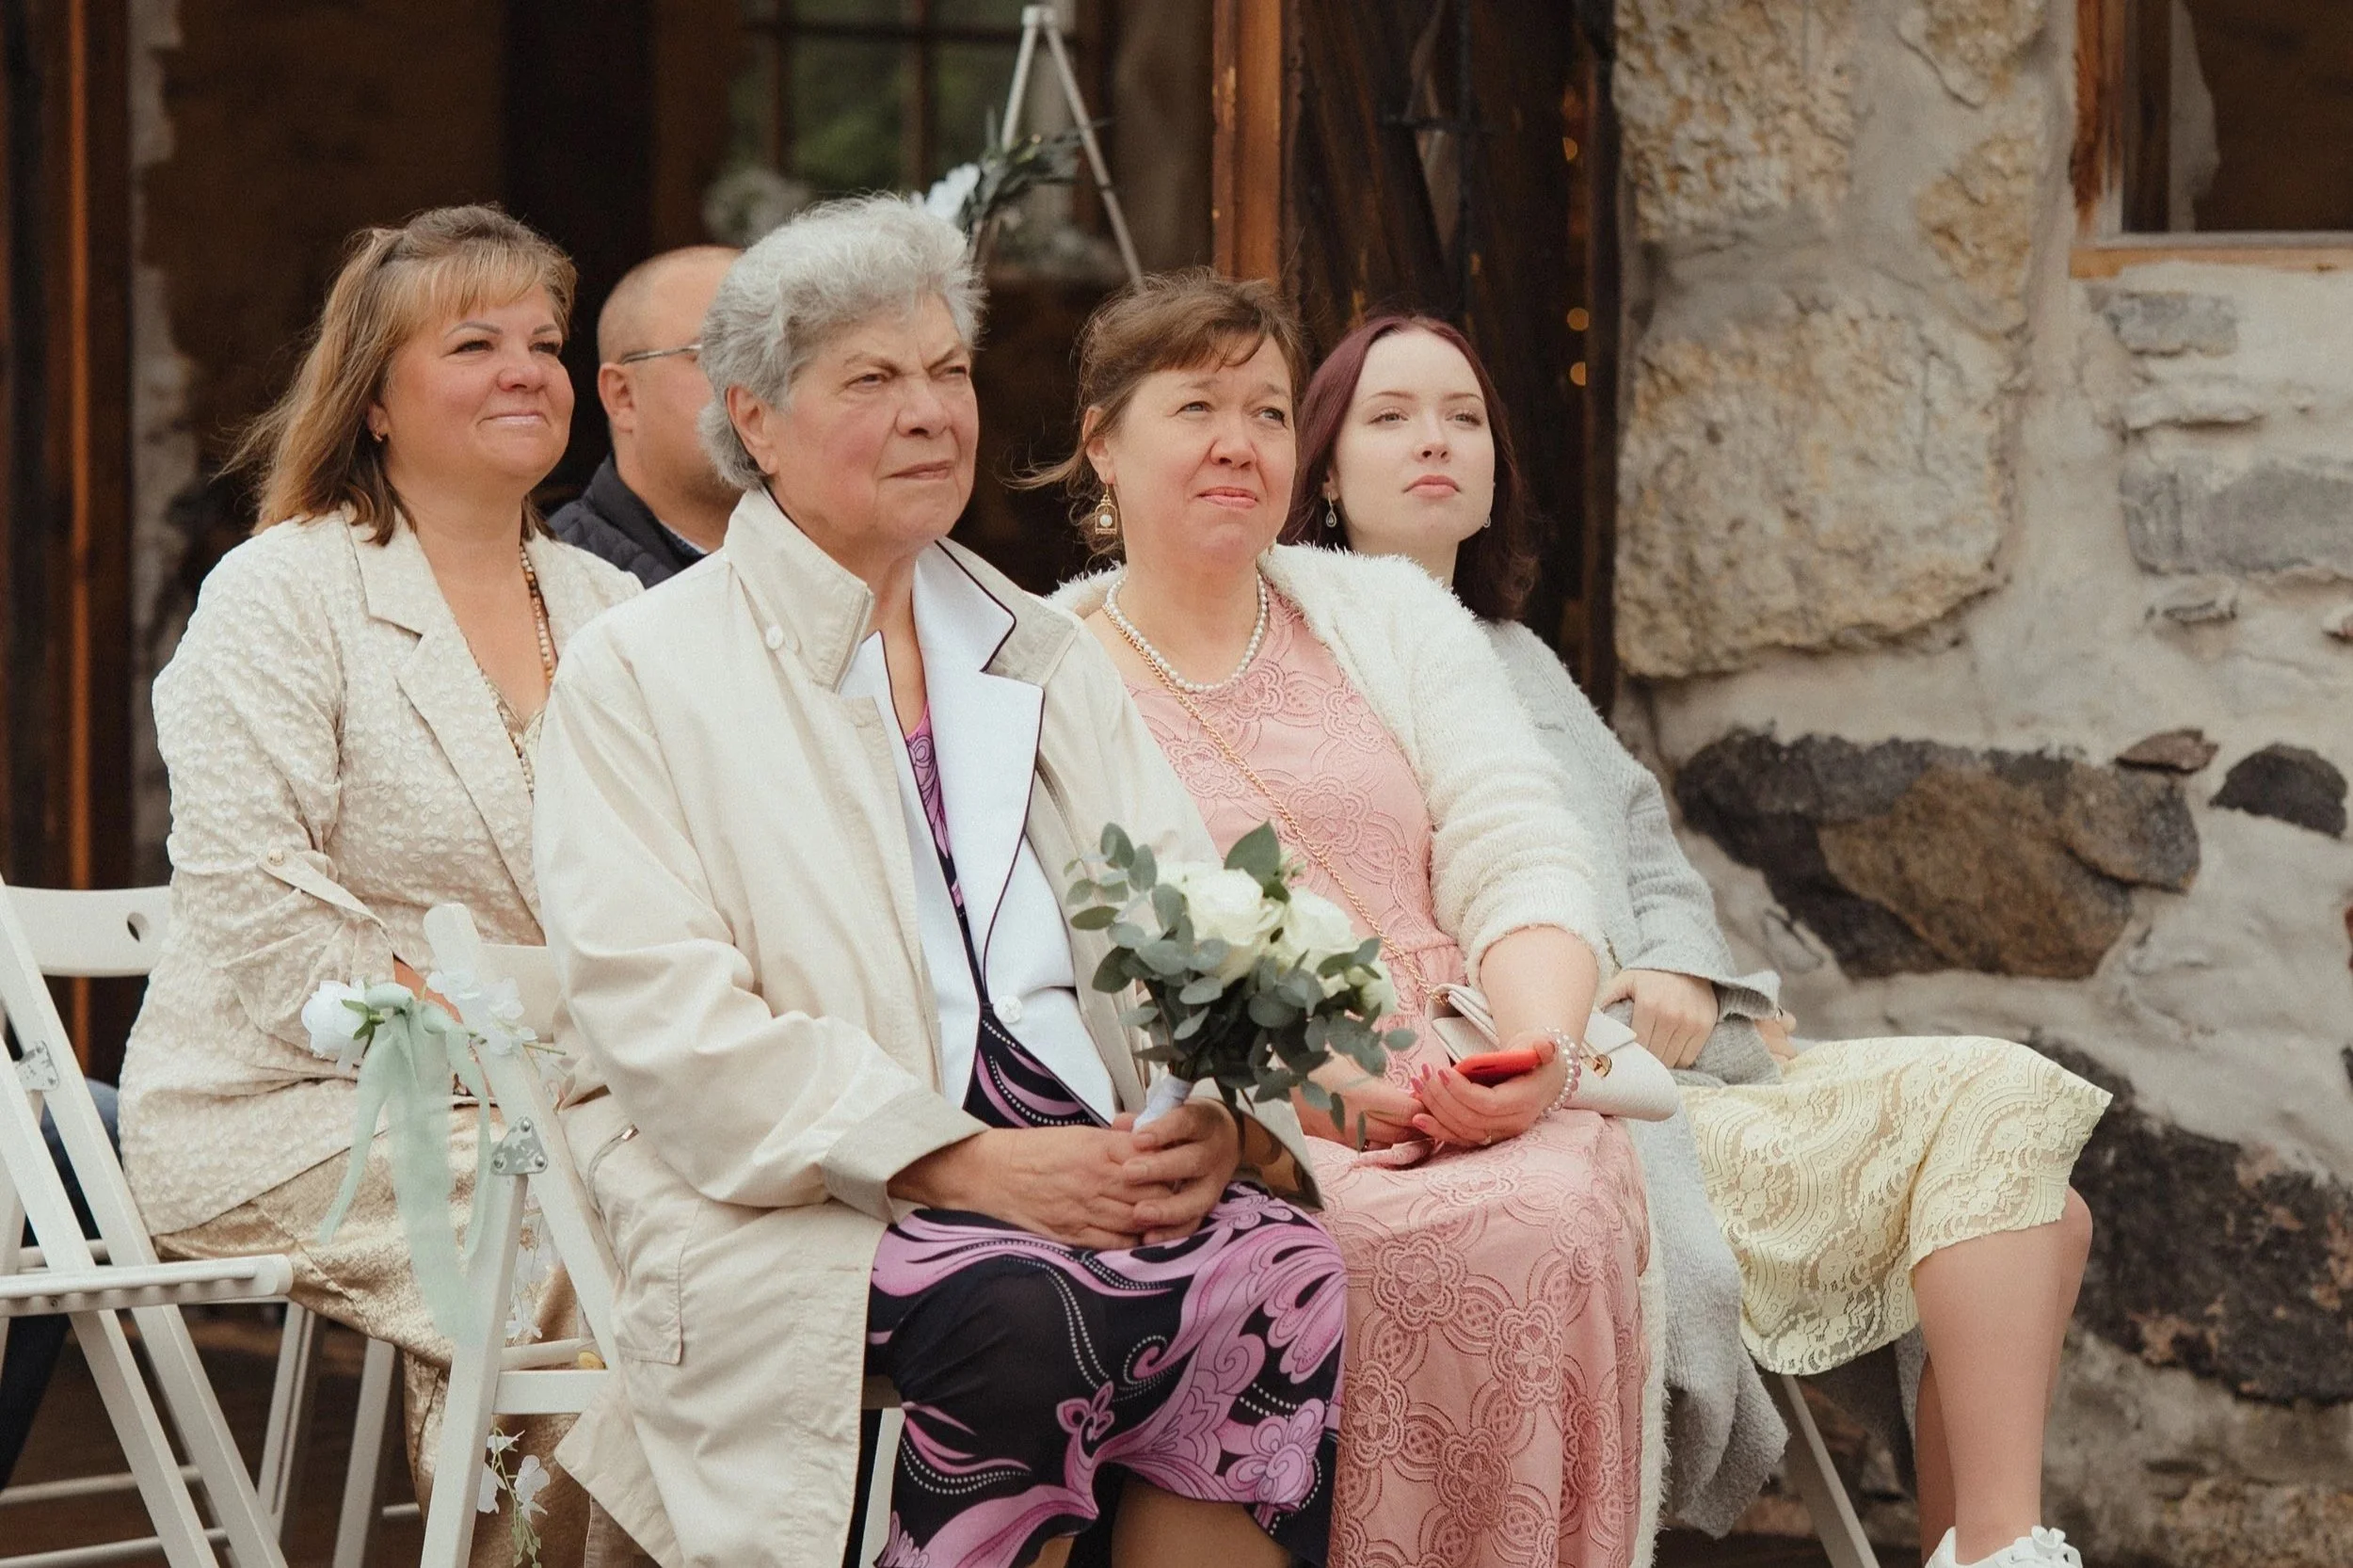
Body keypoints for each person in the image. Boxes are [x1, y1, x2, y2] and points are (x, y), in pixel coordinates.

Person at [529, 198, 1348, 1568]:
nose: (930, 412)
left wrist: (1214, 1118)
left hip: (1083, 1150)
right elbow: (660, 1015)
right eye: (872, 378)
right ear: (759, 421)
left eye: (948, 371)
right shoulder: (642, 670)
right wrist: (963, 1160)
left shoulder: (1035, 645)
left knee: (1287, 1269)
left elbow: (1184, 917)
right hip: (811, 1191)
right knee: (1029, 1309)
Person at [1289, 313, 2113, 1568]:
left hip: (1698, 1064)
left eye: (1463, 415)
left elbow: (1651, 849)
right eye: (1390, 415)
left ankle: (1991, 1546)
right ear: (1327, 472)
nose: (1436, 441)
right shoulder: (1318, 673)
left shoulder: (1520, 659)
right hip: (1582, 1105)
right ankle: (2001, 1551)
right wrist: (1568, 1013)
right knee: (2022, 1157)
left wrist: (1676, 967)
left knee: (2042, 1202)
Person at [1044, 272, 1655, 1568]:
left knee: (1553, 1209)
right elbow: (1093, 960)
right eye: (1195, 405)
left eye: (1268, 410)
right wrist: (1319, 1097)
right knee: (1380, 1241)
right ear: (1102, 440)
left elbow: (1519, 841)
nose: (1237, 442)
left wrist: (1536, 1053)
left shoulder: (1387, 613)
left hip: (1468, 1058)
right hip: (1245, 1107)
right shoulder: (1038, 669)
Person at [117, 204, 641, 1564]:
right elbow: (254, 903)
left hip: (577, 1093)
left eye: (544, 339)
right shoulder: (281, 593)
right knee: (574, 1227)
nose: (527, 366)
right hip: (284, 1106)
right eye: (475, 341)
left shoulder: (610, 611)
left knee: (718, 1225)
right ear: (377, 403)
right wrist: (515, 1056)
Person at [549, 245, 742, 584]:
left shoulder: (837, 558)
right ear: (622, 396)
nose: (755, 382)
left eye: (768, 354)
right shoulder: (557, 589)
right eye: (715, 354)